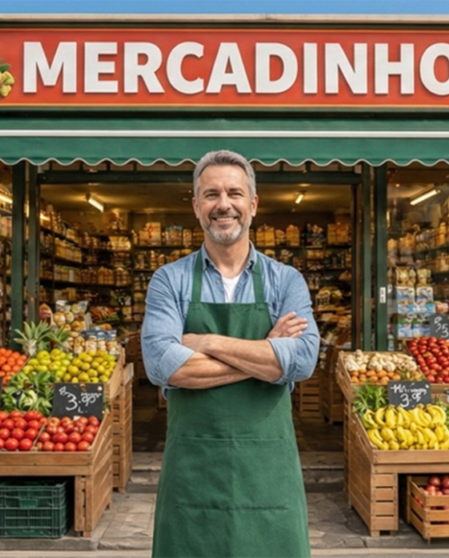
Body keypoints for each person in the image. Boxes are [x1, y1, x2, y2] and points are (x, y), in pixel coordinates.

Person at [141, 149, 319, 558]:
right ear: (196, 206)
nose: (224, 205)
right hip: (194, 474)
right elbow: (161, 365)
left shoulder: (285, 280)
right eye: (211, 195)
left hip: (267, 476)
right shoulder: (169, 280)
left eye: (235, 194)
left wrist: (204, 341)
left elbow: (303, 360)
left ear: (253, 204)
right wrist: (268, 355)